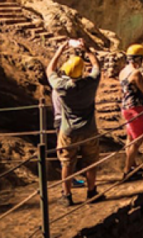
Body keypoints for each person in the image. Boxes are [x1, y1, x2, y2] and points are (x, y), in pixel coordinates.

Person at [47, 40, 102, 206]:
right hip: (89, 129)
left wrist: (59, 51)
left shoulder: (62, 87)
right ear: (82, 71)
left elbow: (49, 70)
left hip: (68, 131)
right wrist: (87, 50)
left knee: (67, 163)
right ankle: (92, 192)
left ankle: (67, 195)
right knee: (91, 161)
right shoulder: (91, 83)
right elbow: (97, 66)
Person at [119, 44, 143, 178]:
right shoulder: (136, 73)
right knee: (138, 139)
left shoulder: (123, 71)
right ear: (138, 59)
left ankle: (133, 166)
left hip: (126, 107)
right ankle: (127, 171)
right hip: (136, 108)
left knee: (130, 138)